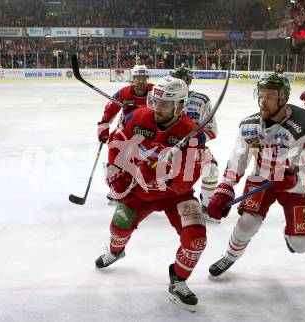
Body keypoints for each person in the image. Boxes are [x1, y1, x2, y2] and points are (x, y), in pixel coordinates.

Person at [95, 76, 208, 312]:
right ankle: (116, 252)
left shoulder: (192, 134)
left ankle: (178, 280)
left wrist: (161, 176)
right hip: (139, 189)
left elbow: (186, 179)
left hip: (176, 195)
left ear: (179, 106)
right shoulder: (137, 117)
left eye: (163, 104)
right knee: (119, 226)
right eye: (154, 101)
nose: (156, 108)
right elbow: (117, 143)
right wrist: (115, 172)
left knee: (196, 239)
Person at [206, 73, 305, 277]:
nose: (263, 102)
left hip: (295, 186)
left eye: (269, 97)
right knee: (246, 224)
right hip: (263, 177)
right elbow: (239, 157)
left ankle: (292, 234)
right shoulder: (249, 125)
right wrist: (225, 187)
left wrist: (293, 180)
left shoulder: (304, 126)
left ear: (283, 98)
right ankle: (230, 256)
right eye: (260, 96)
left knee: (301, 245)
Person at [97, 64, 153, 200]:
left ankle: (143, 184)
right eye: (137, 78)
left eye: (143, 78)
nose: (141, 81)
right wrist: (103, 127)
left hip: (148, 132)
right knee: (115, 147)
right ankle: (115, 185)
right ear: (132, 79)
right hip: (125, 129)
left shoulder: (155, 91)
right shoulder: (123, 93)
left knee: (146, 160)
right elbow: (110, 110)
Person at [171, 66, 219, 219]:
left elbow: (211, 129)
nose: (180, 83)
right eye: (176, 80)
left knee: (211, 170)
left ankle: (206, 204)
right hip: (167, 146)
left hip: (194, 147)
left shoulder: (201, 100)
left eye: (183, 80)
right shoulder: (165, 97)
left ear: (189, 82)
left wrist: (194, 140)